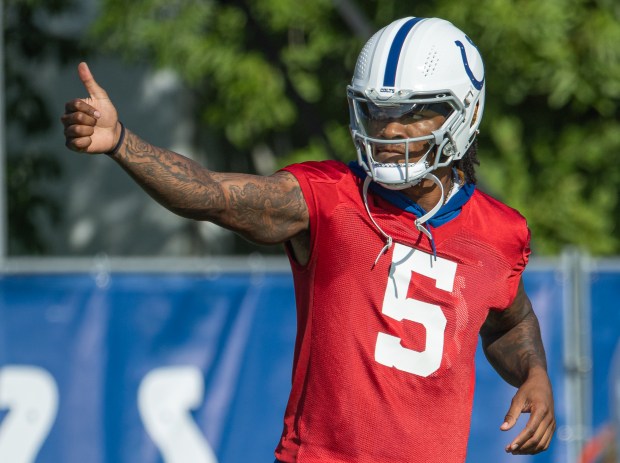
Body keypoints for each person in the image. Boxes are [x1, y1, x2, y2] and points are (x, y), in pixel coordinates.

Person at [61, 16, 555, 463]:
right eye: (378, 112)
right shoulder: (329, 198)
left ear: (464, 113)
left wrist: (533, 373)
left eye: (412, 112)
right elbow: (212, 195)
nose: (390, 129)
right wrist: (123, 142)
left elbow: (511, 321)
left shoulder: (500, 233)